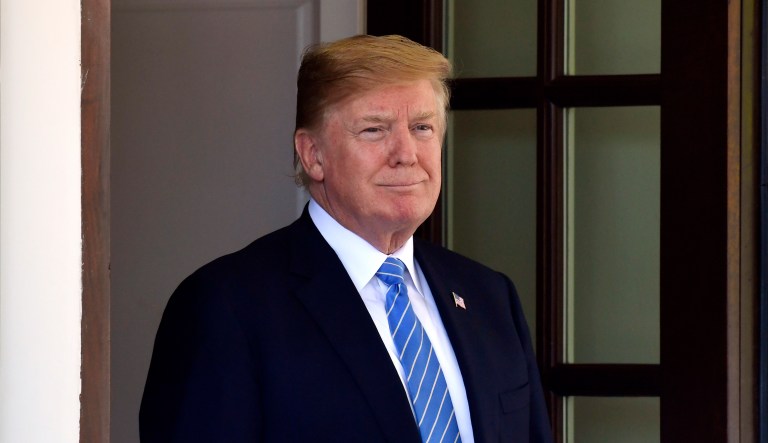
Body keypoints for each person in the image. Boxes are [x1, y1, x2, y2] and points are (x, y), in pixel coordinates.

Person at [139, 34, 552, 443]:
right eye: (374, 130)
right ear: (313, 154)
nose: (406, 153)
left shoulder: (489, 297)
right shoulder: (226, 306)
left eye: (422, 127)